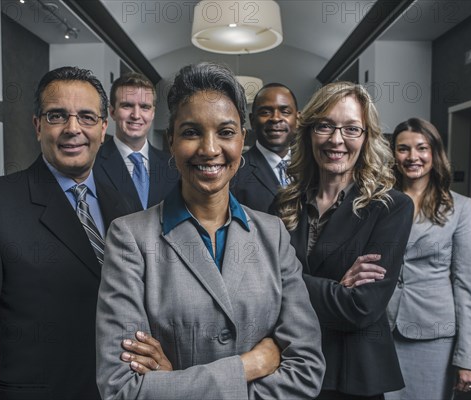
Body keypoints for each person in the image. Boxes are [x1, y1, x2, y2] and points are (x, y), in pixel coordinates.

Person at [96, 62, 325, 399]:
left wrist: (177, 382)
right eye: (191, 132)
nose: (210, 149)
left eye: (226, 132)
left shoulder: (272, 234)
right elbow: (122, 388)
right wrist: (249, 365)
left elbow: (307, 370)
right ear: (171, 140)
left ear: (242, 140)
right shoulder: (130, 238)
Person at [0, 67, 135, 399]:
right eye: (57, 116)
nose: (73, 128)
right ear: (38, 125)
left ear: (103, 128)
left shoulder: (122, 207)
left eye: (86, 117)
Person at [274, 81, 414, 399]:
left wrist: (286, 282)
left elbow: (361, 307)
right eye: (325, 126)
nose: (337, 140)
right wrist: (335, 287)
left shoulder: (391, 207)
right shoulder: (283, 203)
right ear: (309, 132)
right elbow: (262, 290)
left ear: (366, 138)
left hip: (351, 377)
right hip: (288, 365)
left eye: (351, 129)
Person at [385, 118, 471, 400]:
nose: (412, 157)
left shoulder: (460, 208)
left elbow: (466, 285)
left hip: (433, 336)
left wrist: (468, 357)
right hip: (380, 329)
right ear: (394, 155)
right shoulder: (381, 202)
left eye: (421, 148)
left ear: (434, 153)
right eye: (403, 149)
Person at [94, 71, 178, 211]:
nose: (136, 115)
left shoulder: (173, 166)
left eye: (145, 107)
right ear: (112, 112)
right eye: (127, 105)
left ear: (152, 113)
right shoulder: (92, 164)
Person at [231, 83, 299, 212]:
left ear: (298, 119)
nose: (275, 118)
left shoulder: (311, 166)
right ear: (252, 121)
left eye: (285, 111)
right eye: (265, 112)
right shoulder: (235, 172)